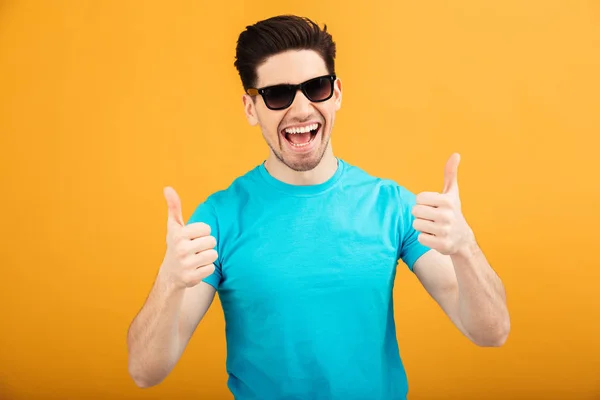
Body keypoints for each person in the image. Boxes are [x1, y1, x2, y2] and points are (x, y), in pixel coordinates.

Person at [126, 15, 510, 400]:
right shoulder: (218, 219)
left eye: (316, 87)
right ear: (250, 107)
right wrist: (169, 281)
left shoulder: (392, 206)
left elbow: (491, 332)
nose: (301, 109)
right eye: (278, 94)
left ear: (337, 93)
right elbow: (145, 372)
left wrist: (465, 247)